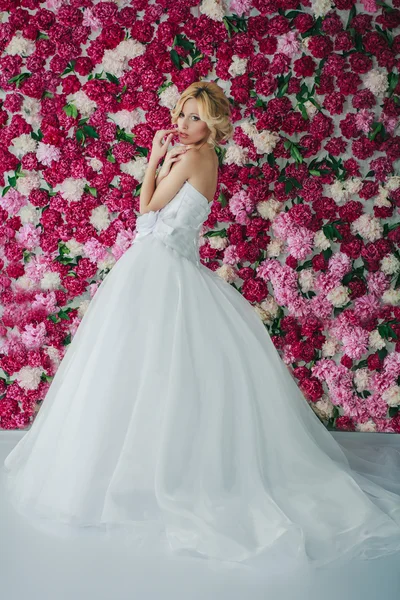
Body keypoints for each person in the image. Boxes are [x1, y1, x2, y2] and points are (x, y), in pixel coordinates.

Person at [2, 81, 400, 569]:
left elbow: (146, 213)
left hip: (160, 268)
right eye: (183, 113)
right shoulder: (199, 160)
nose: (184, 124)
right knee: (146, 372)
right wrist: (165, 167)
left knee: (145, 370)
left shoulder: (195, 158)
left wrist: (153, 160)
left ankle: (147, 476)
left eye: (195, 118)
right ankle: (141, 468)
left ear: (213, 125)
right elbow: (150, 223)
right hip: (161, 266)